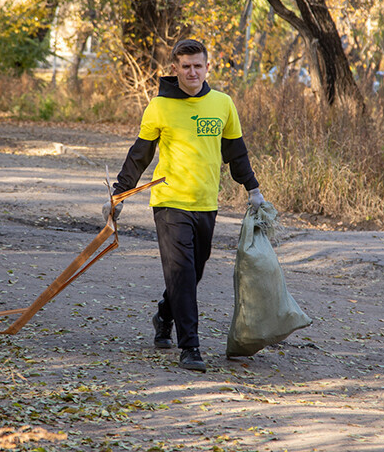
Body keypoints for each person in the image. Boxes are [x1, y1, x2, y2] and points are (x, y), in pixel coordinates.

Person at [104, 38, 265, 372]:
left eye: (198, 65)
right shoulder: (159, 107)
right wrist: (120, 194)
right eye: (186, 66)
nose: (192, 72)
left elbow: (236, 152)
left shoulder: (223, 104)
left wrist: (253, 188)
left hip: (206, 203)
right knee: (181, 271)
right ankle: (189, 347)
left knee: (194, 272)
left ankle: (164, 315)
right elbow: (140, 155)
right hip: (169, 202)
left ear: (208, 67)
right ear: (174, 69)